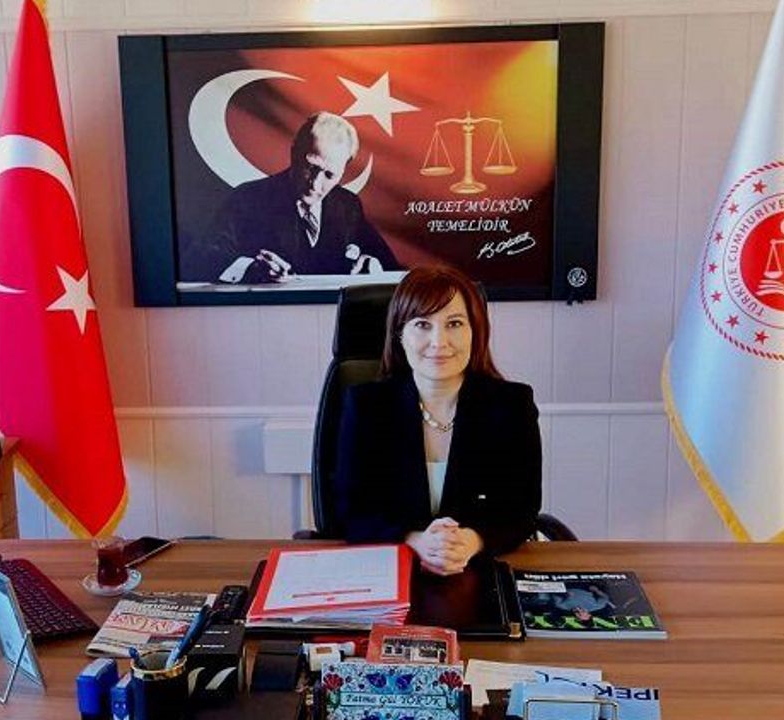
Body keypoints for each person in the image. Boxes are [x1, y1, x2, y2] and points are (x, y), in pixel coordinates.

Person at [334, 266, 542, 575]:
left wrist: (471, 541)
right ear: (400, 335)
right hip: (388, 570)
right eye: (422, 324)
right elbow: (350, 511)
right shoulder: (367, 406)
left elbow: (521, 509)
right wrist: (415, 540)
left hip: (478, 571)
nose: (439, 341)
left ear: (475, 331)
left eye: (454, 323)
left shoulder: (512, 405)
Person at [182, 112, 401, 284]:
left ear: (343, 171)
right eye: (310, 167)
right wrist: (250, 268)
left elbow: (390, 266)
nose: (315, 184)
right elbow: (200, 259)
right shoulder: (248, 199)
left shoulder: (348, 206)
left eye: (329, 175)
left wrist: (373, 265)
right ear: (294, 153)